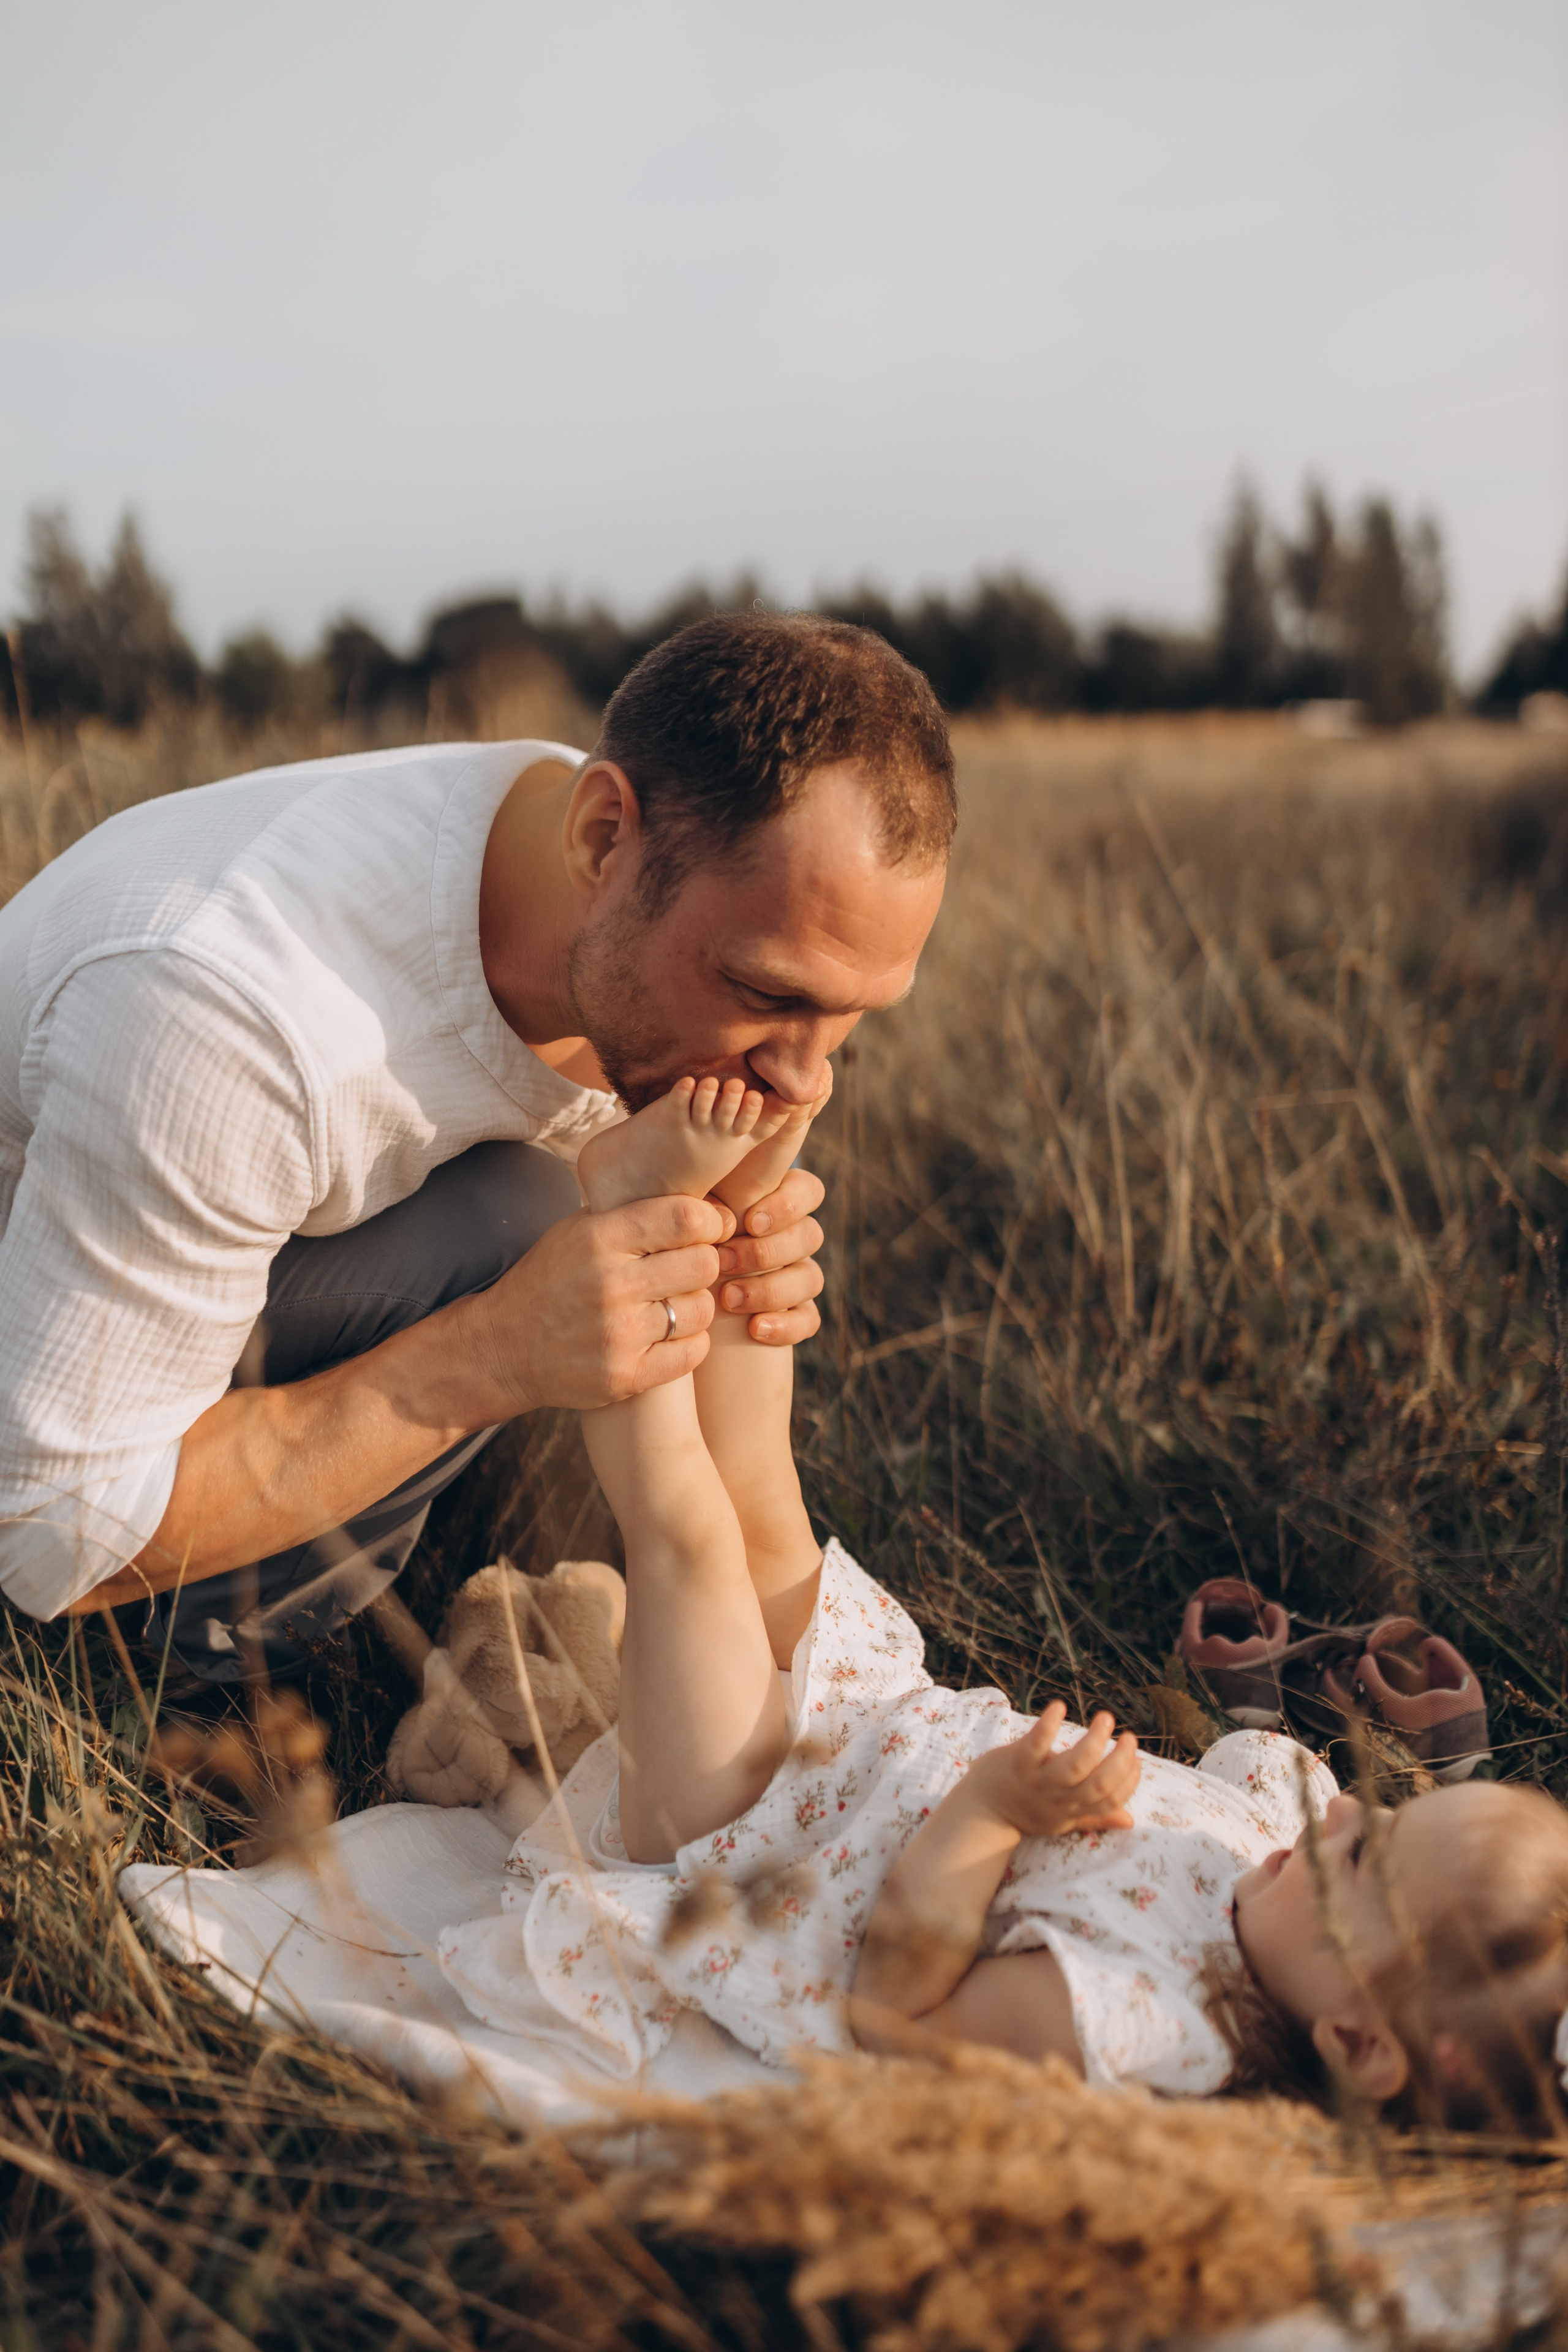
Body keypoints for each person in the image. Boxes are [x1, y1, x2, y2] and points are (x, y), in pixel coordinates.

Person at [440, 1073, 1568, 2137]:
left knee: (686, 1538)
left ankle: (629, 1223)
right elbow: (1274, 1783)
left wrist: (990, 1812)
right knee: (762, 1492)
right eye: (1389, 1815)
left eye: (1368, 1861)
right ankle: (733, 1216)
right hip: (877, 1713)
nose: (1347, 1819)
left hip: (753, 1840)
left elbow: (895, 2013)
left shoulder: (1148, 2025)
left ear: (1360, 2042)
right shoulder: (1284, 1848)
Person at [0, 613, 953, 1684]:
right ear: (604, 837)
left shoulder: (611, 890)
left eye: (853, 1015)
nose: (807, 1079)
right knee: (521, 1222)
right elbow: (53, 1528)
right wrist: (496, 1351)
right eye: (769, 993)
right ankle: (202, 1681)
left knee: (577, 1237)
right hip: (46, 1392)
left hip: (231, 1275)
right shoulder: (234, 1018)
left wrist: (721, 1250)